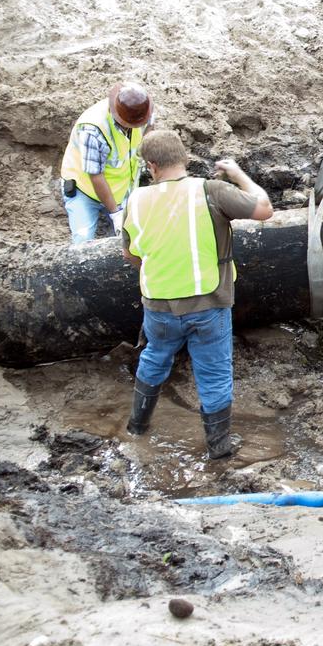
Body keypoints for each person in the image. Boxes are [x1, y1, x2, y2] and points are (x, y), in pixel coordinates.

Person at [120, 131, 273, 459]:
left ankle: (136, 427)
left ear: (152, 166)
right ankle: (219, 448)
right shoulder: (210, 190)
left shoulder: (137, 200)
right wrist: (237, 173)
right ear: (185, 159)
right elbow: (264, 208)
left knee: (154, 357)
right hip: (208, 303)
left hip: (158, 304)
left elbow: (131, 254)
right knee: (214, 372)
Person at [59, 82, 153, 244]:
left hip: (123, 186)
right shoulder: (93, 130)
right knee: (83, 241)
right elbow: (95, 176)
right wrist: (115, 214)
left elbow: (148, 130)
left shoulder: (141, 108)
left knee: (136, 239)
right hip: (85, 190)